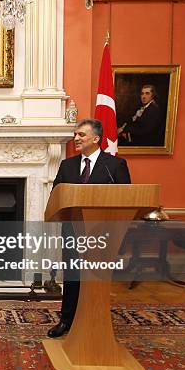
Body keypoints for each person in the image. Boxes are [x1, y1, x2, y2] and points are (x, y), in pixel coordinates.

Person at [47, 118, 131, 338]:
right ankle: (67, 320)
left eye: (81, 135)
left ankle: (96, 321)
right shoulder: (67, 165)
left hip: (103, 234)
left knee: (96, 278)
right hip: (73, 230)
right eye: (75, 134)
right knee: (72, 276)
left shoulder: (115, 166)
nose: (76, 138)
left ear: (96, 138)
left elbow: (126, 200)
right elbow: (56, 195)